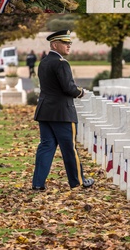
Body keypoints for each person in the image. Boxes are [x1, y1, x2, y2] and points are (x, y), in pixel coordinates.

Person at [31, 30, 93, 191]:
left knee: (46, 146)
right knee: (69, 148)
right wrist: (81, 92)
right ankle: (78, 181)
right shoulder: (61, 63)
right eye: (65, 43)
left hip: (45, 111)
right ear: (54, 45)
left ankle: (38, 183)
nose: (68, 46)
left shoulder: (44, 62)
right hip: (62, 113)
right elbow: (68, 88)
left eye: (69, 43)